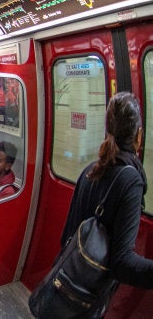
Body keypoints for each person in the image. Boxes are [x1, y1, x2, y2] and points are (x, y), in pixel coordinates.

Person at [60, 92, 153, 290]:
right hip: (87, 293)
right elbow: (122, 264)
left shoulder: (90, 170)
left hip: (67, 282)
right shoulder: (131, 182)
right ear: (138, 136)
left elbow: (66, 237)